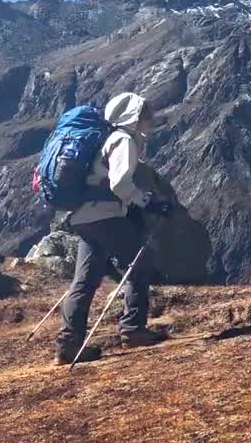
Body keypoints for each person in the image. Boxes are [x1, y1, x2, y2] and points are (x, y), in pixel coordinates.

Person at [54, 92, 173, 365]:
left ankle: (68, 345)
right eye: (145, 115)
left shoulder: (102, 140)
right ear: (133, 117)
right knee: (140, 264)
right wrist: (147, 202)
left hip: (84, 217)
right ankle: (133, 329)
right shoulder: (123, 140)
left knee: (83, 282)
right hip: (106, 216)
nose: (150, 121)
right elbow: (119, 184)